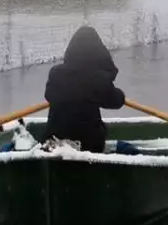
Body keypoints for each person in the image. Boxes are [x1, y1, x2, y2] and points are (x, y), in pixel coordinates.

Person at [42, 25, 134, 154]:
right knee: (128, 149)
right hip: (87, 146)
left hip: (52, 143)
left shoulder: (55, 73)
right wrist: (121, 96)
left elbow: (48, 95)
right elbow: (115, 101)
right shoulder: (97, 78)